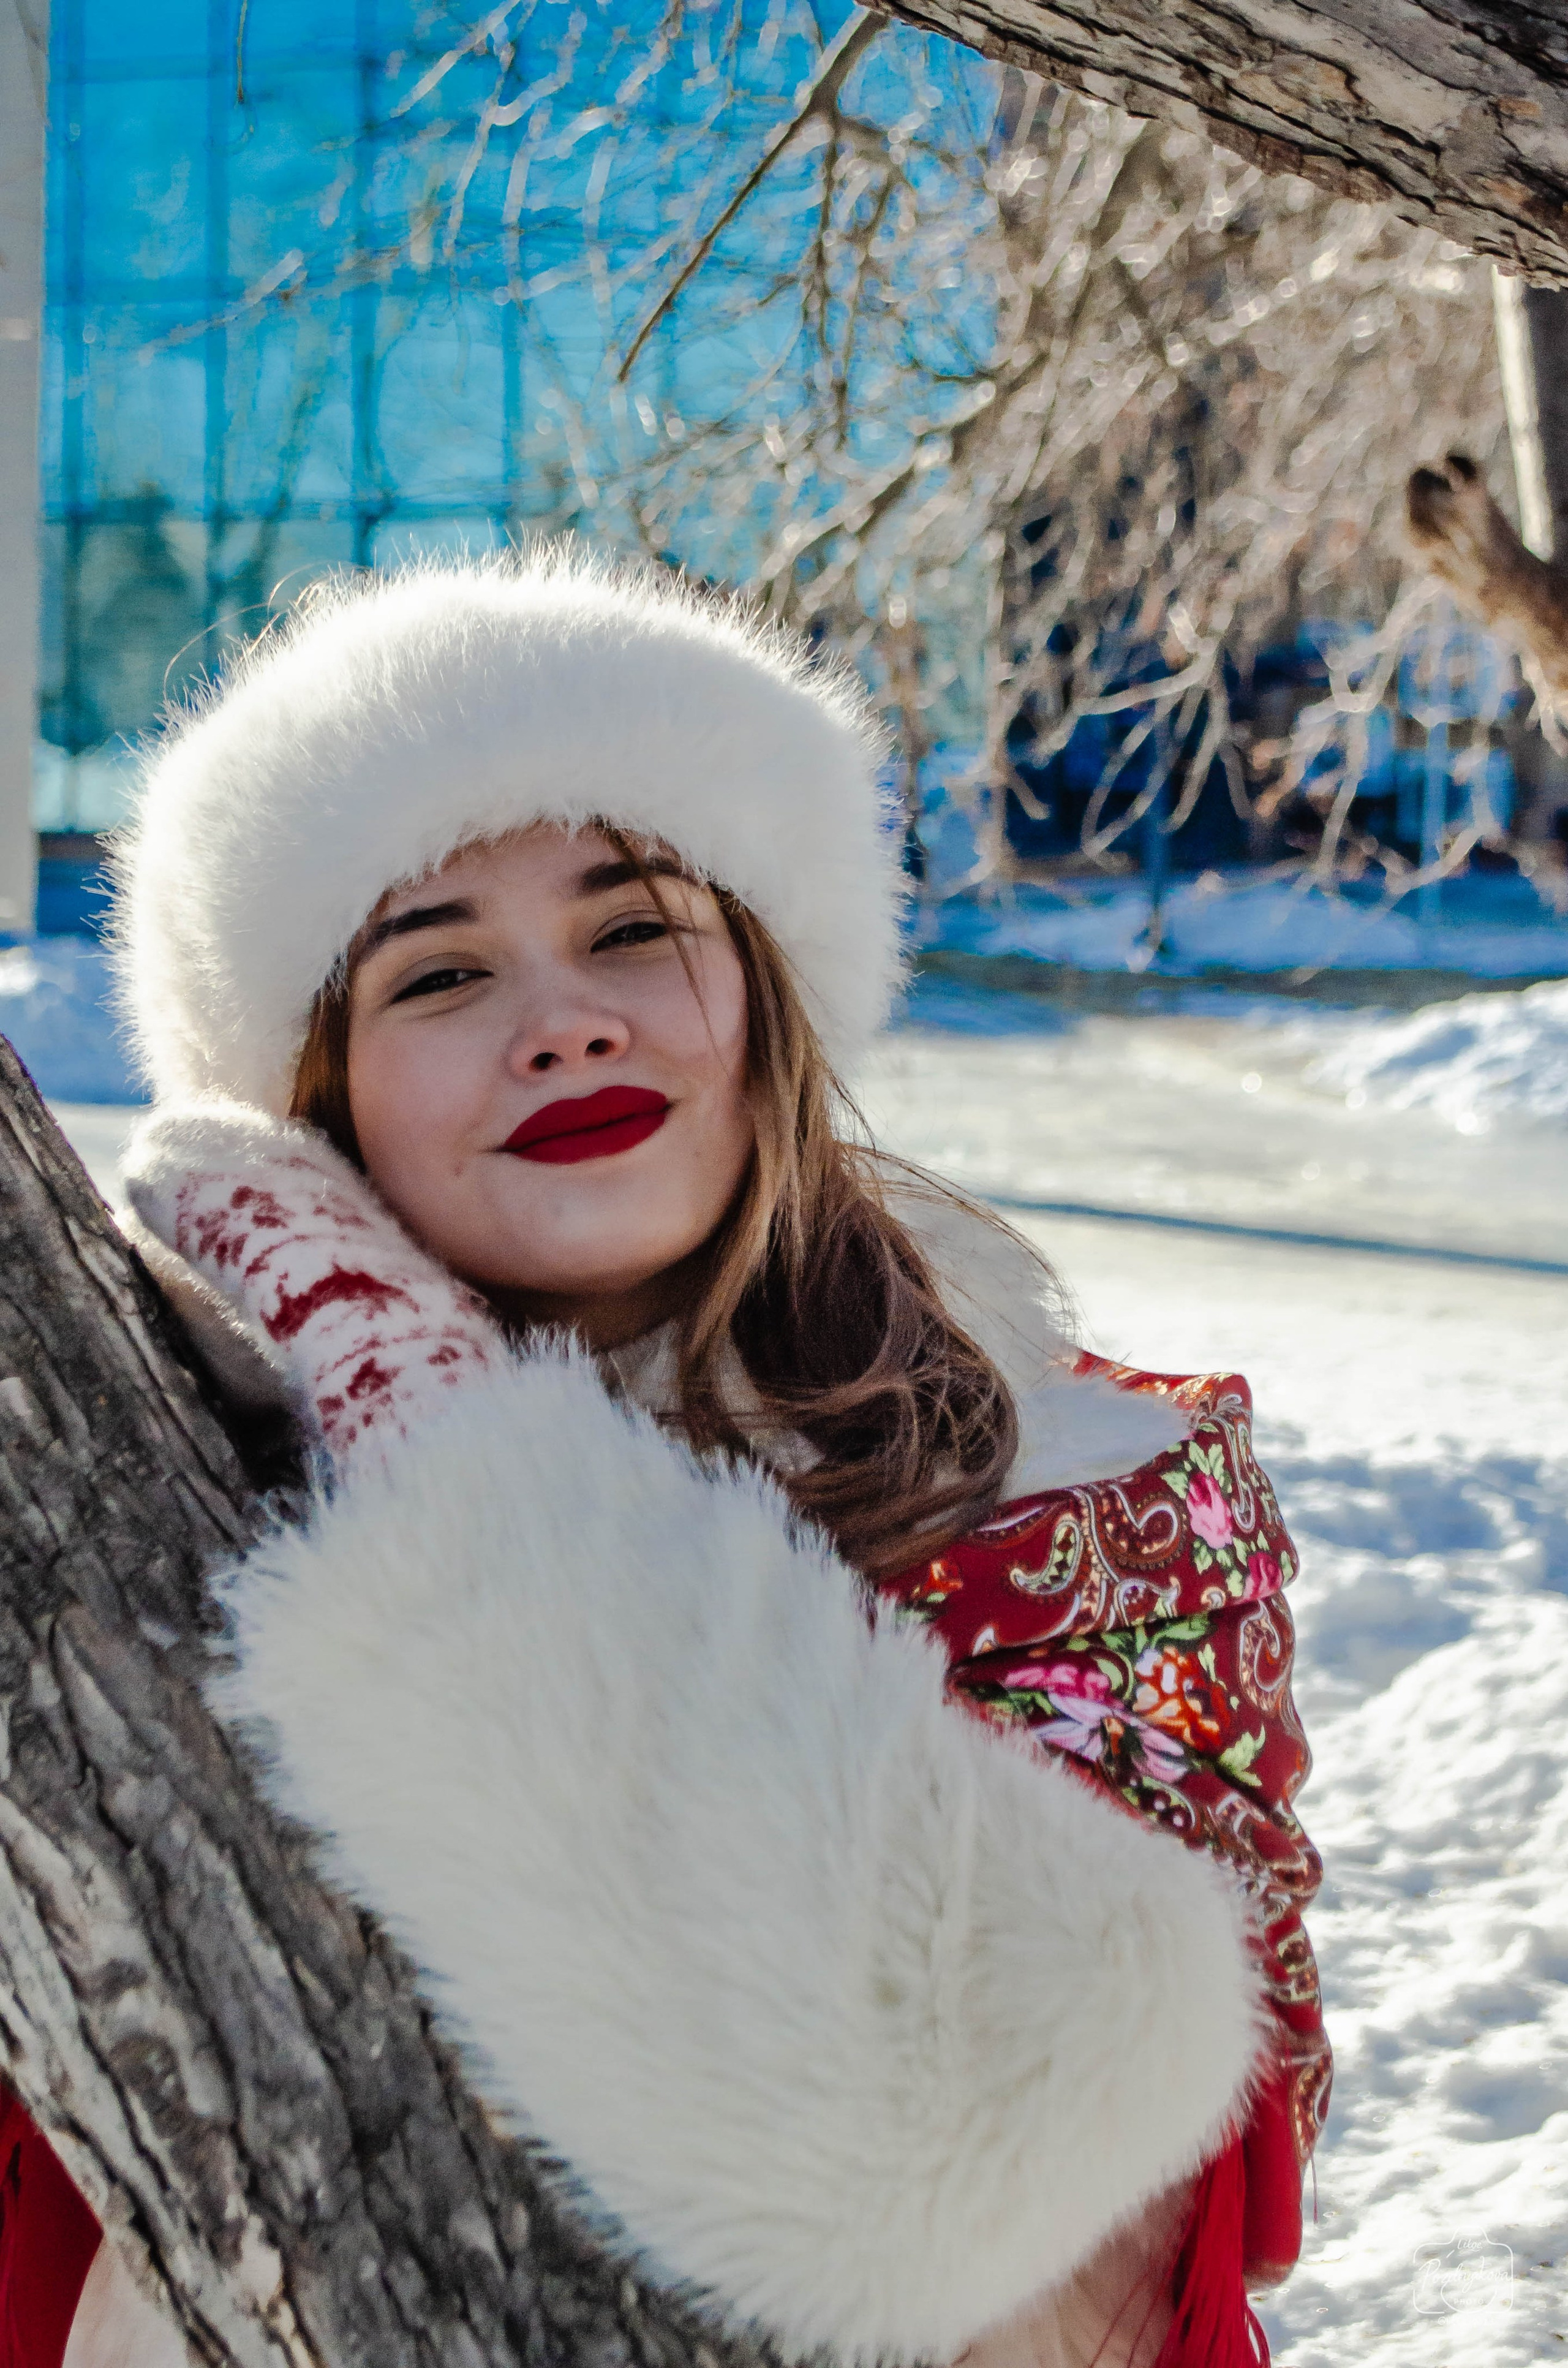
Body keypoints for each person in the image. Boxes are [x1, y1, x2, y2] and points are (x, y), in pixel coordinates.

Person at [6, 550, 1328, 2368]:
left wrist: (463, 1463)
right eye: (440, 973)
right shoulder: (155, 1524)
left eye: (632, 927)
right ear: (319, 1107)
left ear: (770, 995)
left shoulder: (1095, 1499)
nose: (565, 1018)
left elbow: (1001, 2178)